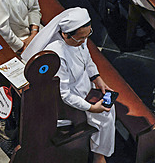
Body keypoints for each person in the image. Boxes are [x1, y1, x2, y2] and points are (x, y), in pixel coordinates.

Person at [22, 8, 115, 163]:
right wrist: (91, 108)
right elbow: (64, 94)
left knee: (109, 107)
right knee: (104, 115)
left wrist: (97, 78)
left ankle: (99, 150)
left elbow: (88, 60)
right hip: (68, 100)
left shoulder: (79, 39)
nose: (84, 41)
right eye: (80, 39)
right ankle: (99, 155)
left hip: (84, 85)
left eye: (87, 36)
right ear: (65, 34)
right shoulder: (56, 55)